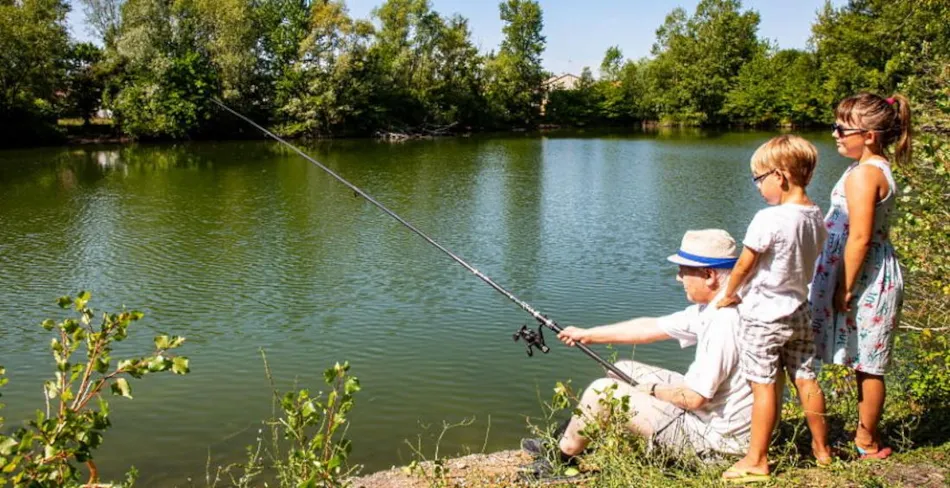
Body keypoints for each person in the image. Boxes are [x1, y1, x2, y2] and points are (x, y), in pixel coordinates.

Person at [522, 229, 754, 478]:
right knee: (621, 370)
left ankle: (560, 459)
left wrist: (652, 390)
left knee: (604, 392)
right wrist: (587, 334)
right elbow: (650, 327)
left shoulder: (724, 321)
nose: (678, 278)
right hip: (710, 418)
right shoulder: (719, 305)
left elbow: (695, 399)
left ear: (708, 275)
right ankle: (570, 437)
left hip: (714, 447)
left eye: (684, 271)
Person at [716, 135, 832, 482]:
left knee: (763, 385)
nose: (758, 187)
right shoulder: (815, 215)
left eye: (759, 179)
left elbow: (743, 265)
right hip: (799, 309)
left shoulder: (769, 219)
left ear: (779, 176)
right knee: (805, 378)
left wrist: (728, 294)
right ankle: (823, 450)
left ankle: (757, 459)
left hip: (764, 315)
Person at [810, 93, 911, 460]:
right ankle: (862, 434)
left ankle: (867, 441)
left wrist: (845, 287)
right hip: (861, 270)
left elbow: (860, 236)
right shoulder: (866, 167)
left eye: (841, 128)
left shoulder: (866, 174)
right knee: (864, 357)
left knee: (870, 362)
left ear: (868, 135)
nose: (834, 134)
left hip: (863, 275)